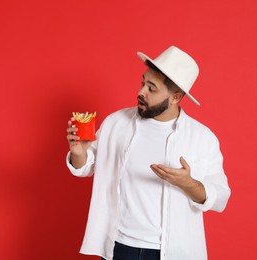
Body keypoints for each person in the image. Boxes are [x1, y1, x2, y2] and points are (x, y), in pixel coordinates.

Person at [66, 46, 231, 260]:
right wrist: (78, 153)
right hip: (119, 247)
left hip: (172, 252)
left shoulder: (201, 138)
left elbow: (221, 197)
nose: (141, 92)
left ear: (175, 97)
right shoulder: (116, 123)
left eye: (151, 88)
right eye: (143, 82)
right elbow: (87, 166)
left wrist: (188, 183)